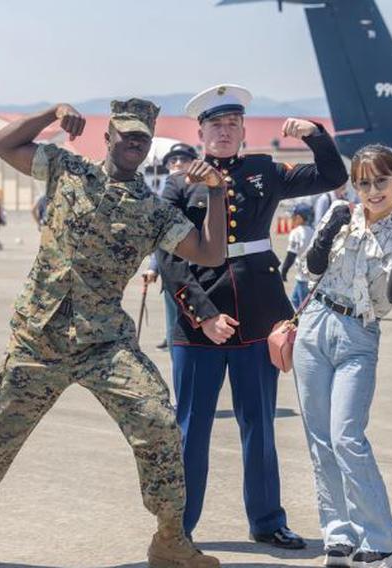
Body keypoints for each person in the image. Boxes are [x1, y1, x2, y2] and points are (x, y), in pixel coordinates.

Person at [0, 99, 226, 568]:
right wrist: (51, 113)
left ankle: (170, 537)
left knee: (158, 423)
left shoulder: (152, 211)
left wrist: (217, 192)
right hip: (37, 339)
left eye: (142, 139)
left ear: (147, 148)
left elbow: (208, 254)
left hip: (103, 343)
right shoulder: (66, 169)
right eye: (125, 135)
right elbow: (2, 143)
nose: (133, 143)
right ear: (107, 137)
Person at [156, 84, 348, 548]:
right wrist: (202, 315)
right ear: (200, 131)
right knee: (191, 429)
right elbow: (169, 258)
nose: (224, 131)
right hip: (197, 320)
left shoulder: (263, 170)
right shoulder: (178, 183)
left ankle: (267, 520)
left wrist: (315, 134)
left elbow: (331, 174)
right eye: (215, 124)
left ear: (242, 129)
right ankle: (179, 529)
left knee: (259, 425)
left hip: (259, 313)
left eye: (232, 123)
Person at [294, 145, 392, 568]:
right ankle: (338, 533)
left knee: (346, 437)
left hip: (358, 332)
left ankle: (385, 540)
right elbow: (309, 269)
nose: (372, 191)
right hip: (315, 324)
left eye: (381, 181)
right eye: (364, 182)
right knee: (319, 439)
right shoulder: (341, 215)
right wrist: (330, 226)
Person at [145, 143, 200, 351]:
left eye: (184, 159)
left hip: (202, 272)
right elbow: (162, 238)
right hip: (172, 272)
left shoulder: (205, 192)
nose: (177, 163)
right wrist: (153, 267)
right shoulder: (163, 196)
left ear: (194, 163)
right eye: (173, 160)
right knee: (173, 327)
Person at [280, 202, 315, 308]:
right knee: (294, 302)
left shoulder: (296, 232)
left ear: (299, 218)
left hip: (302, 277)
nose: (292, 218)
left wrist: (284, 271)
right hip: (311, 275)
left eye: (293, 216)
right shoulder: (313, 231)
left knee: (303, 308)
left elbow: (291, 255)